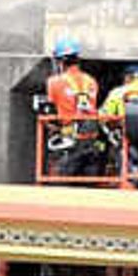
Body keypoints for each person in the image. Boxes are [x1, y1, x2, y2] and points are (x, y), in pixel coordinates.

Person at [39, 38, 108, 177]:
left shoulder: (54, 82)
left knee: (61, 189)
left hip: (68, 144)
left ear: (61, 61)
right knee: (89, 190)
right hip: (92, 143)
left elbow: (51, 115)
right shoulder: (91, 81)